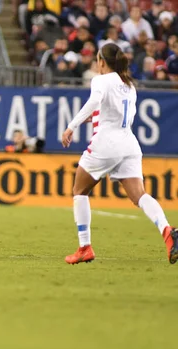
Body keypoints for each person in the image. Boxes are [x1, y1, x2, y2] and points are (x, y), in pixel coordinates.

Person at [61, 43, 178, 264]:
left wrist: (71, 126)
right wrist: (92, 117)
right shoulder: (128, 85)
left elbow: (94, 102)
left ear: (101, 61)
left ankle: (85, 247)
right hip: (129, 144)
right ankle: (167, 231)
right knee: (139, 196)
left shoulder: (100, 80)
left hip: (106, 143)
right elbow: (116, 113)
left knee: (79, 190)